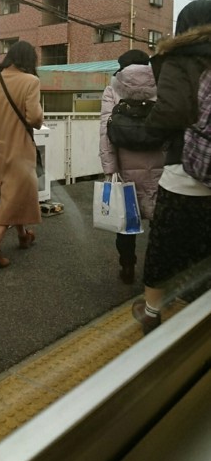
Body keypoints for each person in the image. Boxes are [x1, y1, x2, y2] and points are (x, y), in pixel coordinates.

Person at [132, 0, 211, 333]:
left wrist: (149, 132)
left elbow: (171, 112)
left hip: (184, 173)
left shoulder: (177, 59)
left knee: (165, 245)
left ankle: (151, 311)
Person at [99, 49, 165, 284]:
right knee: (161, 220)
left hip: (125, 167)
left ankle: (127, 267)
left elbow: (106, 133)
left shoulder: (114, 88)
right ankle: (157, 272)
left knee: (126, 222)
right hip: (161, 165)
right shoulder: (163, 84)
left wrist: (110, 169)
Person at [0, 40, 43, 268]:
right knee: (14, 194)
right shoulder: (31, 82)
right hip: (19, 147)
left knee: (11, 192)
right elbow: (35, 119)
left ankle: (23, 235)